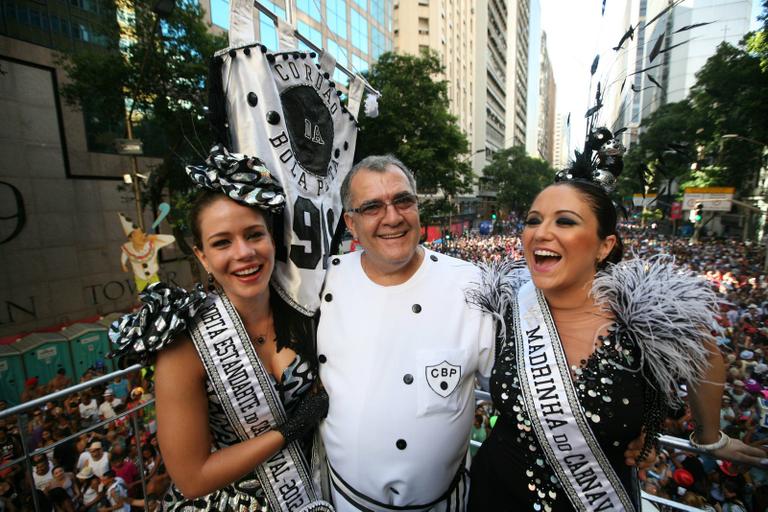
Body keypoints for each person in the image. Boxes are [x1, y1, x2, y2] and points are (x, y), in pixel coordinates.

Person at [467, 128, 768, 511]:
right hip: (494, 493)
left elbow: (706, 358)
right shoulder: (505, 304)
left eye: (565, 222)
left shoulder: (648, 319)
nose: (541, 232)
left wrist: (709, 437)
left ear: (604, 245)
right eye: (533, 220)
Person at [109, 148, 331, 511]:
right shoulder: (184, 344)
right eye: (222, 242)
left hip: (320, 487)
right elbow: (192, 478)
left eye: (254, 235)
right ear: (202, 256)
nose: (244, 253)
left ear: (272, 240)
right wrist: (287, 432)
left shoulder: (307, 309)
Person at [317, 155, 497, 510]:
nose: (393, 217)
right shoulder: (320, 284)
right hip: (346, 501)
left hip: (446, 504)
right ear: (350, 224)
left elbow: (516, 387)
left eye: (403, 201)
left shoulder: (472, 284)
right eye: (372, 207)